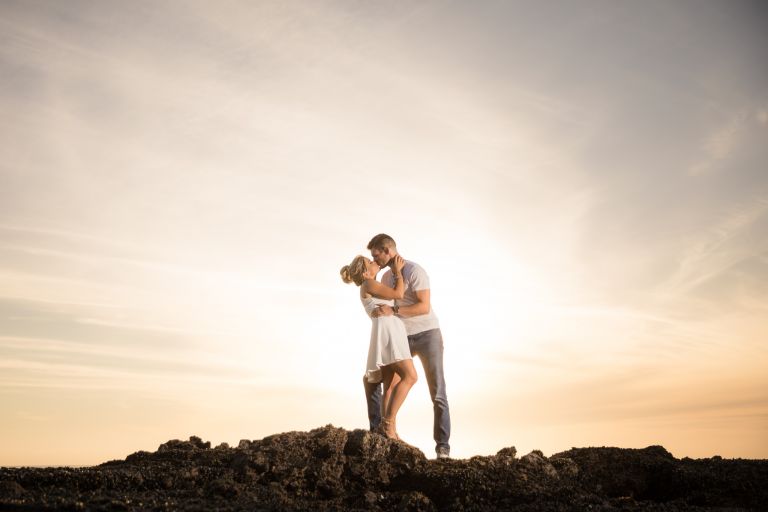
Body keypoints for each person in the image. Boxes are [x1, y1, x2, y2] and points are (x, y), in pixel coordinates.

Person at [364, 233, 452, 459]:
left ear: (388, 251)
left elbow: (423, 307)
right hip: (400, 335)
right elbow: (385, 303)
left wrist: (393, 310)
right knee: (390, 385)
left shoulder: (415, 271)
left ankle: (442, 447)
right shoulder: (384, 278)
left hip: (427, 335)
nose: (375, 259)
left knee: (438, 392)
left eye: (376, 255)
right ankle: (387, 432)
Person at [340, 254, 418, 440]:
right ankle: (388, 423)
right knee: (410, 376)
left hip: (389, 331)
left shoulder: (372, 286)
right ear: (366, 272)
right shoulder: (368, 284)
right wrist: (398, 272)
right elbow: (398, 294)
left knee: (390, 386)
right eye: (371, 262)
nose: (375, 262)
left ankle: (391, 431)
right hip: (388, 333)